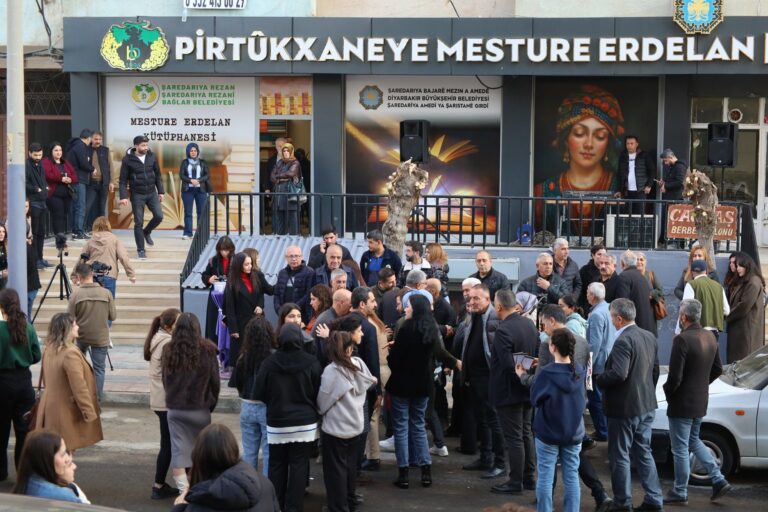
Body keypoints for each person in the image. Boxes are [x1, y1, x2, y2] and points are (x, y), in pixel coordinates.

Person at [596, 299, 663, 512]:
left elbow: (619, 373)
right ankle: (654, 500)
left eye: (611, 316)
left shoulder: (624, 340)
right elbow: (655, 370)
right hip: (645, 405)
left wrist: (597, 379)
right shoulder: (648, 336)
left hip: (625, 409)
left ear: (618, 318)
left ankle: (623, 503)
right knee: (644, 452)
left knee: (620, 456)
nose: (610, 319)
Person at [663, 299, 732, 505]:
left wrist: (669, 393)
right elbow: (718, 369)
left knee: (681, 449)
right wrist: (701, 384)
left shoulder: (682, 340)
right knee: (693, 441)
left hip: (682, 403)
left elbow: (674, 377)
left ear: (683, 317)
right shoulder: (710, 336)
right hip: (700, 400)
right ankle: (718, 479)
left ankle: (680, 491)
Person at [534, 85, 623, 234]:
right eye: (580, 133)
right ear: (566, 138)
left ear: (608, 142)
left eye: (600, 136)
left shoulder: (618, 186)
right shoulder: (541, 191)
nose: (588, 144)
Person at [253, 323, 322, 512]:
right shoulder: (311, 362)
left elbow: (258, 392)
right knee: (299, 465)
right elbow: (318, 392)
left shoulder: (269, 363)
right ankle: (294, 507)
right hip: (305, 422)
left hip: (277, 421)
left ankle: (277, 505)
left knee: (276, 465)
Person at [521, 328, 586, 512]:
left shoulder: (547, 373)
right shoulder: (579, 371)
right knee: (572, 476)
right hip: (574, 432)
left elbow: (535, 399)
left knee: (545, 478)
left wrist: (522, 376)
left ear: (553, 347)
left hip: (547, 432)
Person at [318, 331, 377, 510]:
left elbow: (323, 402)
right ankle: (350, 500)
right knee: (350, 467)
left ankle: (338, 506)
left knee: (335, 471)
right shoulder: (358, 364)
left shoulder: (332, 371)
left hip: (335, 428)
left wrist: (319, 411)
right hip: (355, 425)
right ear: (350, 349)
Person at [163, 312, 220, 494]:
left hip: (176, 408)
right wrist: (210, 403)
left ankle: (183, 492)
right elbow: (215, 382)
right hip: (200, 408)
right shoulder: (209, 349)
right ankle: (199, 489)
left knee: (179, 453)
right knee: (200, 452)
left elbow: (165, 380)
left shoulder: (168, 349)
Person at [386, 294, 438, 489]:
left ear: (415, 309)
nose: (405, 309)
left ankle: (404, 472)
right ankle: (426, 470)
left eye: (408, 307)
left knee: (400, 427)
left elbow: (395, 361)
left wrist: (393, 350)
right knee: (418, 426)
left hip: (401, 385)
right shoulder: (431, 330)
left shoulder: (406, 330)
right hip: (422, 385)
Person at [489, 289, 538, 495]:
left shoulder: (503, 330)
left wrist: (523, 364)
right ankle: (529, 477)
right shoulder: (529, 324)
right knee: (526, 434)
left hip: (509, 391)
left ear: (499, 306)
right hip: (526, 389)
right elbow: (535, 356)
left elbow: (509, 364)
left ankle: (515, 481)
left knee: (515, 438)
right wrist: (528, 364)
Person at [172, 423, 279, 512]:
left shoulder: (200, 504)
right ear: (233, 450)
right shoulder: (265, 484)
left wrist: (180, 507)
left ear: (198, 457)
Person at [36, 313, 103, 451]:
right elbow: (79, 386)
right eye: (75, 325)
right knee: (64, 453)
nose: (78, 327)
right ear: (67, 330)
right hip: (65, 411)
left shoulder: (49, 348)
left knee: (55, 451)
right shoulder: (70, 353)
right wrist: (89, 412)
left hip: (50, 408)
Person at [459, 284, 505, 479]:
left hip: (489, 379)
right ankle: (485, 458)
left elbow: (497, 352)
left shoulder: (494, 319)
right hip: (474, 379)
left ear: (488, 299)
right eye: (470, 299)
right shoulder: (473, 317)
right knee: (481, 420)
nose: (472, 302)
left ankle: (500, 462)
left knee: (494, 421)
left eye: (477, 298)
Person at [0, 288, 41, 481]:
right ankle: (24, 474)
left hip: (2, 382)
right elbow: (36, 355)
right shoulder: (27, 327)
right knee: (24, 432)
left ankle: (0, 472)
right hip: (24, 382)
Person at [143, 307, 182, 500]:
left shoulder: (159, 338)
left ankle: (160, 484)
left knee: (167, 443)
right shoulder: (167, 342)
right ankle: (159, 485)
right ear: (169, 326)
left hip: (160, 399)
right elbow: (170, 375)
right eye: (178, 322)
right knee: (169, 445)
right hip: (166, 400)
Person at [235, 316, 277, 477]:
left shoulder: (243, 357)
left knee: (249, 452)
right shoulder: (273, 358)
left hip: (247, 405)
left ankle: (248, 486)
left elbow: (238, 383)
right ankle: (267, 490)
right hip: (266, 407)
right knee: (268, 452)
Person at [68, 262, 116, 400]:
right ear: (91, 274)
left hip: (81, 336)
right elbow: (113, 316)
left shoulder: (76, 294)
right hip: (101, 336)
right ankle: (97, 399)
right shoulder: (106, 293)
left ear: (78, 276)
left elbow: (70, 318)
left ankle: (80, 396)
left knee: (78, 366)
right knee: (99, 369)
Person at [224, 252, 273, 370]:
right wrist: (233, 329)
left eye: (250, 264)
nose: (250, 267)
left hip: (257, 320)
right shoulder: (232, 281)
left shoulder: (256, 276)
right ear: (239, 265)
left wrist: (260, 306)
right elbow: (229, 307)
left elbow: (261, 293)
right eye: (246, 264)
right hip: (241, 322)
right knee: (241, 353)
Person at [119, 135, 165, 260]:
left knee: (159, 216)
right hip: (137, 194)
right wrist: (123, 196)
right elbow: (122, 180)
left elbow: (158, 175)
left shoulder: (152, 156)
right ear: (136, 146)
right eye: (143, 145)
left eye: (146, 145)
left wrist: (161, 191)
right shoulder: (127, 160)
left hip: (151, 193)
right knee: (138, 222)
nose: (146, 147)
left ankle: (147, 231)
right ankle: (141, 250)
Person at [12, 430, 89, 503]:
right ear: (46, 459)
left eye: (66, 452)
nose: (68, 459)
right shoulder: (62, 496)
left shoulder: (26, 483)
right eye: (62, 454)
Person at [585, 282, 615, 442]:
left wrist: (588, 366)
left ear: (593, 296)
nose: (586, 295)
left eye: (588, 293)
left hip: (598, 364)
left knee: (595, 398)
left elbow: (594, 343)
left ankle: (602, 431)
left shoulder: (596, 314)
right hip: (608, 360)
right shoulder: (609, 308)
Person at [81, 216, 136, 298]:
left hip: (92, 275)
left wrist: (75, 275)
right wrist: (131, 274)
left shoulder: (91, 240)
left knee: (92, 302)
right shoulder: (114, 239)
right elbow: (123, 257)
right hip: (109, 274)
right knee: (108, 303)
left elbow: (82, 258)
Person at [725, 252, 766, 362]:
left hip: (746, 330)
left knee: (744, 361)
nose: (738, 269)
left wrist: (726, 316)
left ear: (747, 265)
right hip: (740, 329)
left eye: (740, 266)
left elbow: (743, 306)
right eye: (737, 266)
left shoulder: (753, 282)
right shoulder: (744, 281)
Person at [676, 259, 729, 335]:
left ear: (692, 273)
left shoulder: (691, 284)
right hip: (714, 333)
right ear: (706, 272)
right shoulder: (719, 287)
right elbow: (727, 311)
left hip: (697, 332)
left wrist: (678, 331)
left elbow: (684, 309)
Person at [201, 235, 235, 341]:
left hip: (231, 296)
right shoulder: (213, 261)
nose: (224, 253)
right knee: (213, 321)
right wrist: (209, 279)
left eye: (227, 250)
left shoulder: (237, 259)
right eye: (222, 250)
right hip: (216, 297)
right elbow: (204, 275)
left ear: (231, 249)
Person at [615, 250, 657, 336]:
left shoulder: (624, 277)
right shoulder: (642, 276)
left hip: (634, 330)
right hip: (647, 328)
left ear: (622, 263)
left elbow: (622, 304)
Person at [43, 141, 77, 237]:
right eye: (56, 150)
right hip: (53, 194)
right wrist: (61, 178)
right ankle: (59, 236)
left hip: (66, 194)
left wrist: (70, 179)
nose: (59, 152)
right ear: (51, 151)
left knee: (64, 214)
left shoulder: (64, 162)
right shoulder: (46, 161)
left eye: (60, 150)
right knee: (58, 214)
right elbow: (48, 175)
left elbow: (74, 175)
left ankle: (61, 234)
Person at [179, 142, 212, 240]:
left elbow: (207, 175)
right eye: (191, 151)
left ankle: (200, 234)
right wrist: (190, 180)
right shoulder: (184, 162)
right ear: (188, 152)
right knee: (188, 213)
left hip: (200, 190)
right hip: (187, 190)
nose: (193, 152)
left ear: (198, 152)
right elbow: (181, 175)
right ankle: (188, 233)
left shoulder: (203, 162)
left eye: (195, 151)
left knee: (201, 212)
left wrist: (199, 180)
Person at [616, 134, 656, 214]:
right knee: (627, 214)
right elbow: (620, 174)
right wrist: (619, 190)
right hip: (627, 191)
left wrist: (649, 185)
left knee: (640, 214)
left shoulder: (644, 155)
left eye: (632, 143)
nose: (629, 146)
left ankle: (639, 227)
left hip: (641, 190)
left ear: (637, 144)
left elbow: (652, 170)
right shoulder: (623, 156)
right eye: (627, 143)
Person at [274, 245, 315, 322]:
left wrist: (292, 309)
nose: (294, 259)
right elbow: (277, 294)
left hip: (302, 316)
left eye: (296, 256)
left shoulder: (309, 272)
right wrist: (279, 310)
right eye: (291, 256)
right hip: (284, 315)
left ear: (301, 257)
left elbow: (308, 294)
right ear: (286, 257)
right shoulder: (282, 273)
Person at [66, 129, 94, 239]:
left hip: (75, 179)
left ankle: (75, 231)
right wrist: (92, 168)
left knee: (76, 206)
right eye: (91, 139)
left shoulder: (75, 146)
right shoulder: (80, 147)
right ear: (88, 138)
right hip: (79, 179)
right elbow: (84, 164)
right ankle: (78, 231)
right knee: (80, 206)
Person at [25, 142, 49, 268]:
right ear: (29, 153)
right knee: (34, 233)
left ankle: (40, 258)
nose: (38, 157)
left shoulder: (41, 164)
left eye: (40, 155)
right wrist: (36, 189)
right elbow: (24, 183)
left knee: (41, 233)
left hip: (42, 201)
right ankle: (34, 260)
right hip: (34, 202)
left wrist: (45, 188)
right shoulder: (26, 165)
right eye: (35, 155)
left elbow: (43, 179)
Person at [658, 148, 688, 246]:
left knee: (675, 223)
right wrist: (663, 184)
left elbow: (679, 182)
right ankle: (665, 241)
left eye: (666, 161)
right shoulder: (674, 167)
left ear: (670, 157)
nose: (665, 163)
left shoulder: (679, 167)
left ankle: (677, 243)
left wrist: (665, 185)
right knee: (668, 221)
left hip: (675, 199)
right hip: (670, 198)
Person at [270, 142, 302, 235]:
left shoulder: (295, 162)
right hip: (279, 195)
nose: (286, 152)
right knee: (279, 219)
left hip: (290, 194)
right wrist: (281, 177)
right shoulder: (280, 162)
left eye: (288, 150)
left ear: (292, 151)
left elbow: (290, 173)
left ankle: (294, 238)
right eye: (284, 151)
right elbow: (272, 176)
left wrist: (278, 176)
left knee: (292, 219)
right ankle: (280, 238)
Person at [86, 131, 112, 233]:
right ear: (91, 139)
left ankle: (103, 229)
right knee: (88, 206)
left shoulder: (105, 150)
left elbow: (111, 166)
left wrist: (112, 182)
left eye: (100, 139)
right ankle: (87, 228)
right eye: (96, 139)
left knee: (102, 208)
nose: (98, 141)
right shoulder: (86, 150)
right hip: (91, 183)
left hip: (103, 183)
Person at [578, 244, 606, 312]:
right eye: (599, 254)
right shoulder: (585, 270)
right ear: (593, 256)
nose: (602, 257)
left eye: (604, 255)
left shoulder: (608, 269)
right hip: (588, 306)